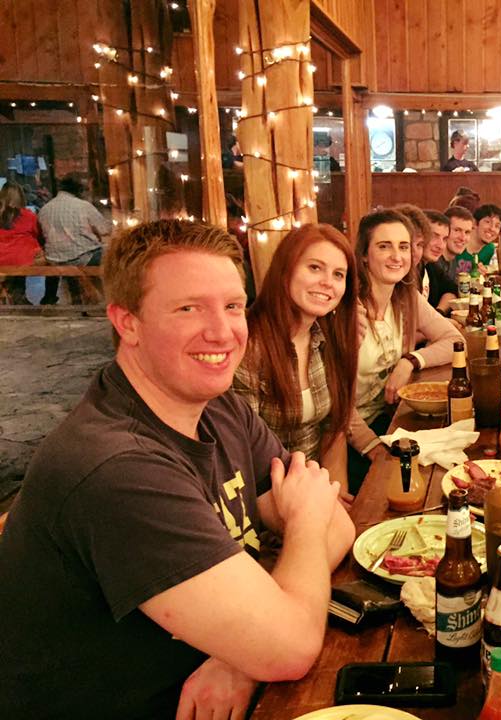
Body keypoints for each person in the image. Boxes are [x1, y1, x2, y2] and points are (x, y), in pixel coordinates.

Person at [0, 219, 354, 717]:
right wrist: (267, 625)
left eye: (233, 306)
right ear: (127, 322)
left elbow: (337, 524)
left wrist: (238, 654)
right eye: (189, 308)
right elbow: (291, 645)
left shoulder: (220, 407)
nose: (223, 331)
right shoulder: (117, 468)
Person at [233, 224, 358, 495]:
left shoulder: (328, 338)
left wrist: (336, 494)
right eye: (315, 268)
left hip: (318, 488)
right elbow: (243, 455)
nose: (328, 282)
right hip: (267, 497)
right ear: (285, 269)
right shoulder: (249, 346)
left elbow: (334, 431)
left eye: (338, 274)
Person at [346, 210, 461, 492]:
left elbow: (455, 340)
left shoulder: (405, 295)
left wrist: (411, 361)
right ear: (364, 255)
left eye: (404, 247)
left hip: (389, 419)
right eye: (384, 246)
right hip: (349, 437)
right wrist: (373, 448)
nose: (396, 256)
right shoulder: (348, 308)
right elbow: (336, 403)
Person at [36, 173, 113, 305]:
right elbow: (105, 229)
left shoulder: (44, 209)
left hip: (55, 259)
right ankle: (106, 297)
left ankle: (50, 297)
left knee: (60, 257)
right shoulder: (83, 206)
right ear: (79, 190)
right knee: (111, 254)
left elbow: (42, 237)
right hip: (83, 257)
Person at [0, 182, 42, 305]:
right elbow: (37, 233)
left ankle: (10, 293)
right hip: (23, 258)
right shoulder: (29, 215)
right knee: (24, 258)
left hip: (2, 256)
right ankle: (18, 295)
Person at [421, 209, 458, 313]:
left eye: (444, 239)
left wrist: (439, 312)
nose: (440, 245)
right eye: (434, 236)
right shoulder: (406, 272)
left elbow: (451, 289)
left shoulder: (431, 266)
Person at [442, 205, 477, 278]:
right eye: (457, 230)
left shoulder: (452, 261)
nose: (463, 238)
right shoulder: (433, 264)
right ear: (444, 230)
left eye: (467, 232)